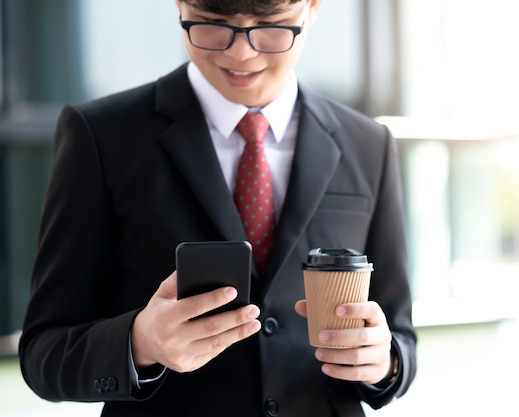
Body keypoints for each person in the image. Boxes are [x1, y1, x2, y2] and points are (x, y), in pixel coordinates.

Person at [18, 0, 417, 416]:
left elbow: (401, 336)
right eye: (213, 25)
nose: (241, 53)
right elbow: (43, 354)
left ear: (312, 8)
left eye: (270, 26)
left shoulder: (369, 144)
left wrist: (383, 362)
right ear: (180, 5)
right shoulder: (100, 136)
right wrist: (141, 343)